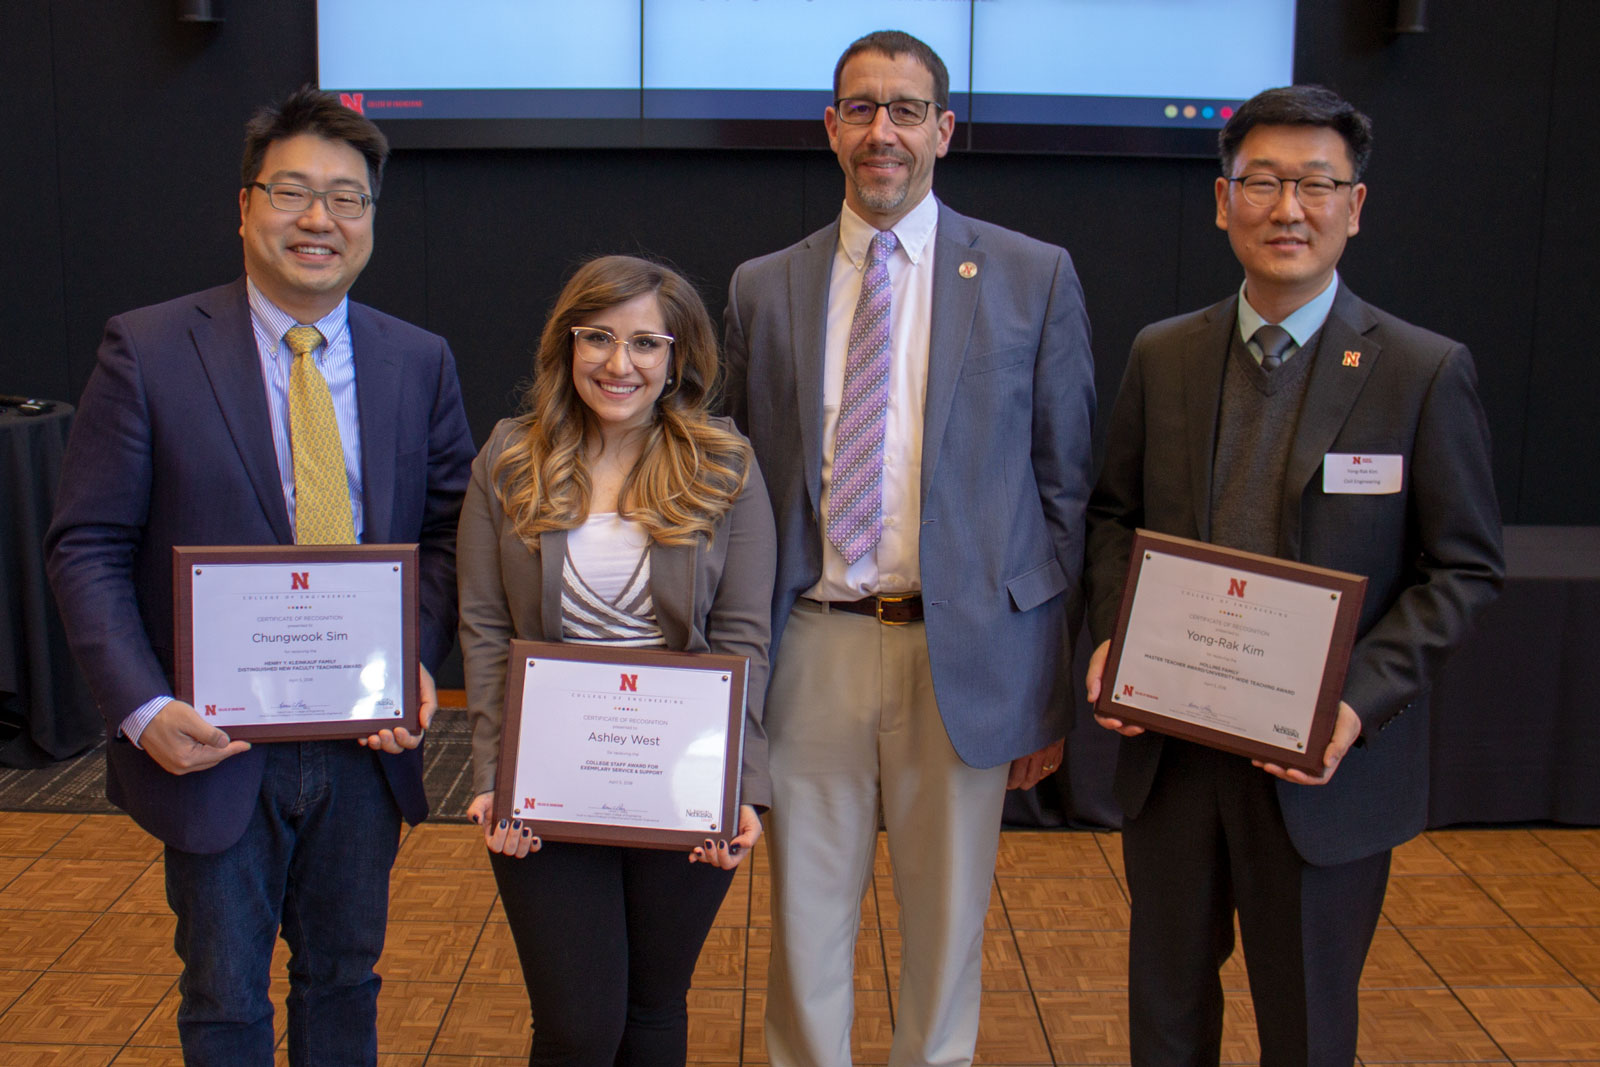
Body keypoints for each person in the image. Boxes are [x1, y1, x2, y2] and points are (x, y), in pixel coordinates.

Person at [45, 87, 476, 1065]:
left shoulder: (418, 361)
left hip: (365, 744)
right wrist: (144, 707)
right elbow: (86, 545)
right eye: (292, 192)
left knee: (344, 982)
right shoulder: (148, 349)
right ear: (244, 206)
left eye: (346, 198)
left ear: (370, 218)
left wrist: (414, 656)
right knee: (225, 995)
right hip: (209, 741)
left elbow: (450, 531)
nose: (319, 219)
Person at [1084, 85, 1504, 1064]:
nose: (1287, 207)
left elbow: (1463, 568)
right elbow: (1112, 516)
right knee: (1165, 1017)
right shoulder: (1163, 353)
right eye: (1262, 181)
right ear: (1221, 197)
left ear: (1353, 205)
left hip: (1323, 769)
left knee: (1307, 1026)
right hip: (1175, 755)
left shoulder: (1420, 371)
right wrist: (1113, 631)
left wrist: (1353, 704)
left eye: (1315, 183)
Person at [723, 30, 1096, 1067]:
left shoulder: (1032, 275)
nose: (880, 130)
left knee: (946, 931)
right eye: (859, 108)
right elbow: (737, 484)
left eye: (902, 109)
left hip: (965, 655)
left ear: (943, 128)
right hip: (813, 643)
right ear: (830, 128)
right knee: (802, 922)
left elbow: (1064, 493)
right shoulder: (763, 286)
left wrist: (1043, 684)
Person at [457, 254, 777, 1066]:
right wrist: (495, 773)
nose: (618, 363)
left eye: (644, 343)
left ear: (677, 358)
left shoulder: (725, 463)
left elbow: (743, 636)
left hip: (680, 779)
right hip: (547, 778)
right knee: (576, 1026)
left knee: (654, 1011)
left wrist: (737, 783)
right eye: (597, 337)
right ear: (567, 345)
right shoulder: (507, 458)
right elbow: (486, 629)